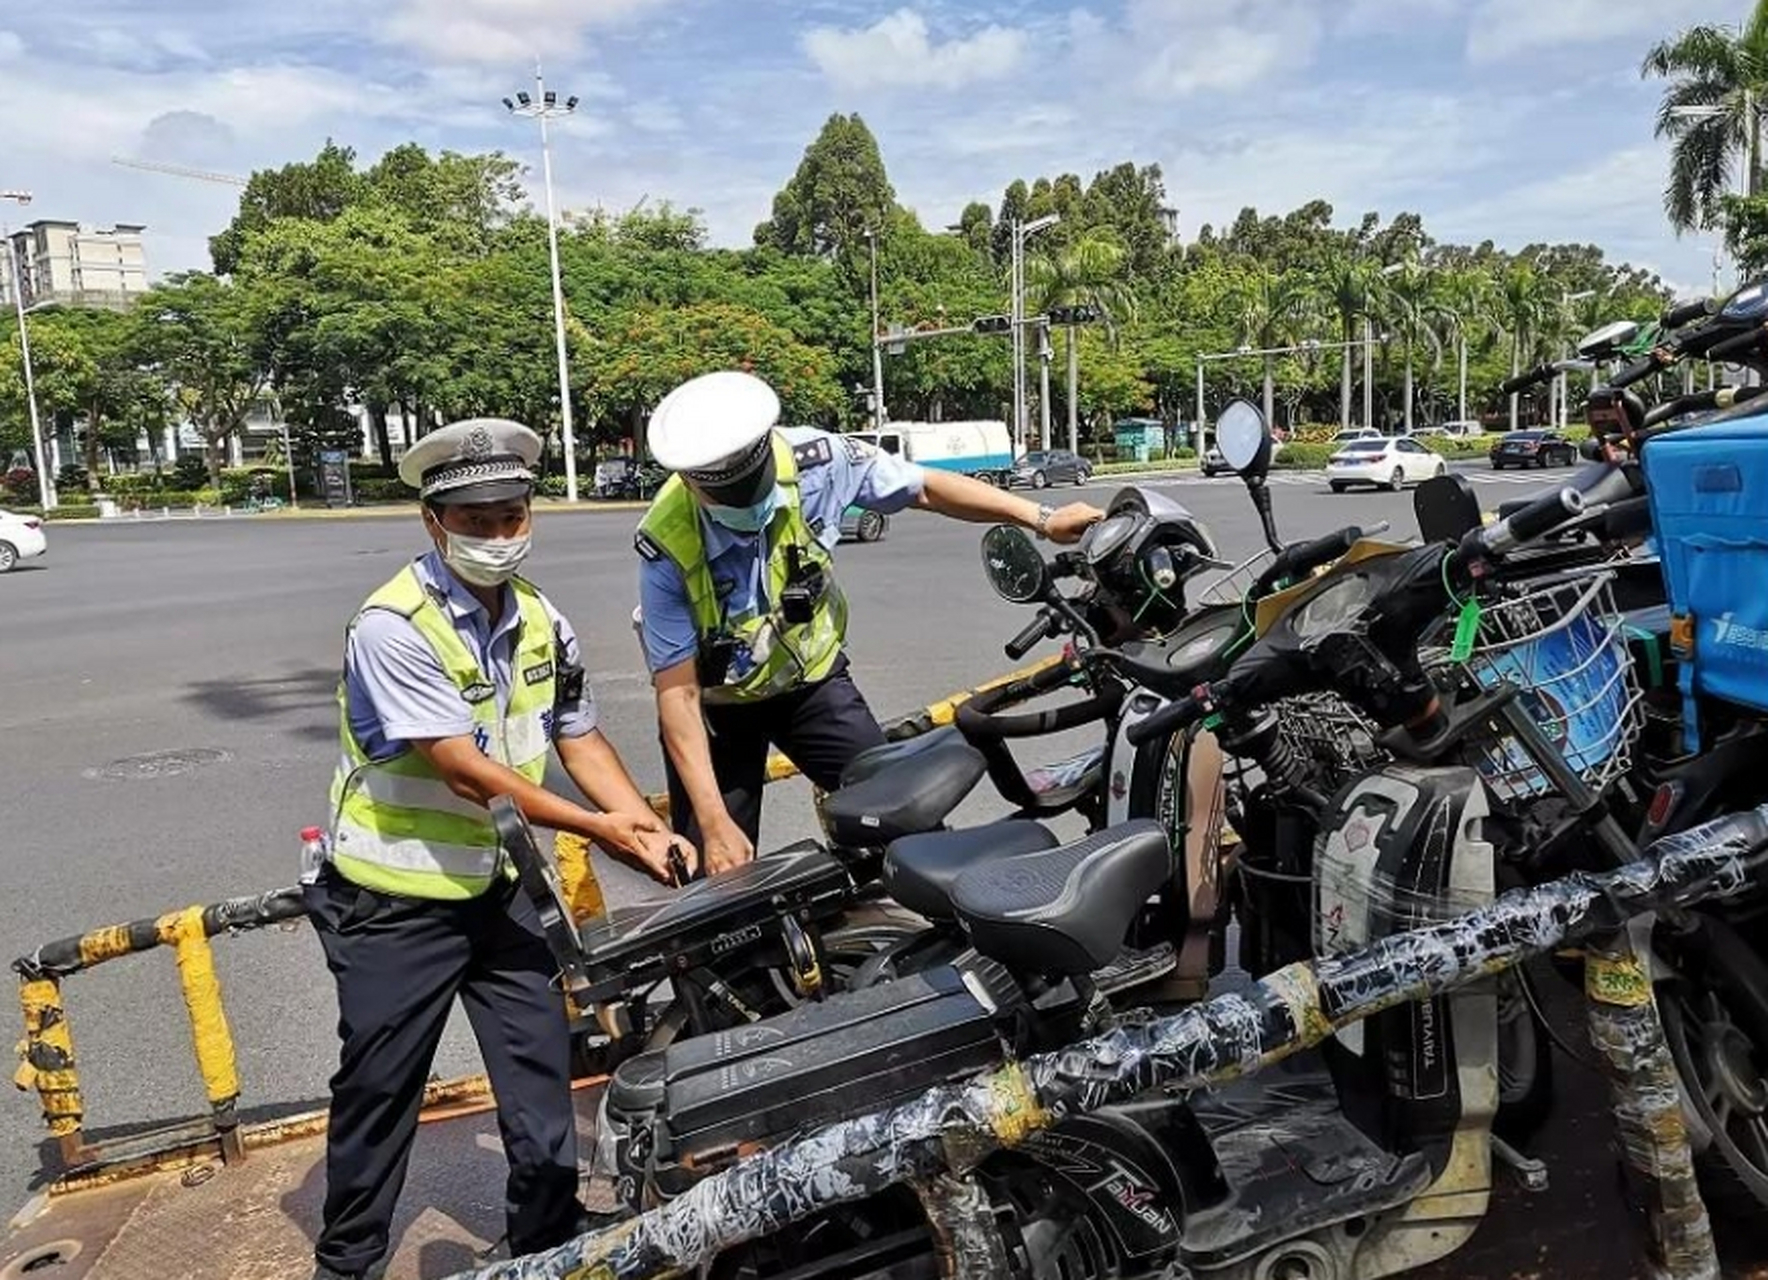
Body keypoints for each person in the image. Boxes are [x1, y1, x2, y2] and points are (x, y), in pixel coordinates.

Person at [307, 418, 694, 1280]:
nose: (496, 536)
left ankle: (548, 1240)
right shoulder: (391, 626)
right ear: (433, 522)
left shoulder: (539, 619)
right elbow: (461, 768)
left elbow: (578, 734)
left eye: (511, 516)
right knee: (379, 1092)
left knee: (537, 1068)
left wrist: (642, 822)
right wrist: (598, 831)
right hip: (393, 902)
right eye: (474, 522)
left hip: (501, 888)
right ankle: (347, 1264)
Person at [636, 370, 1103, 876]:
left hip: (812, 685)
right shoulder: (666, 543)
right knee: (714, 869)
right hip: (717, 710)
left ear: (769, 447)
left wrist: (1041, 518)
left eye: (756, 487)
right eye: (731, 499)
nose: (750, 505)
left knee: (905, 823)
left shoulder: (819, 461)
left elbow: (923, 487)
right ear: (689, 481)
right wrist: (712, 820)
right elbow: (676, 693)